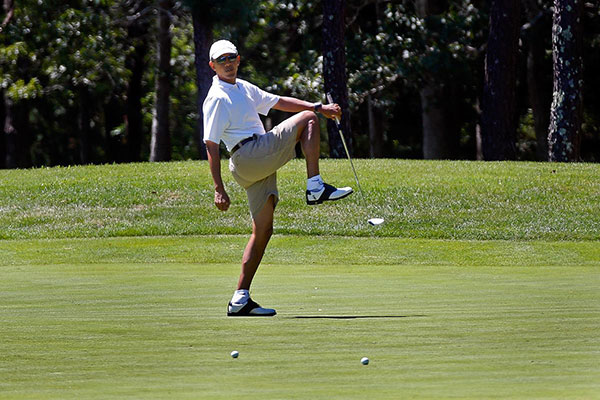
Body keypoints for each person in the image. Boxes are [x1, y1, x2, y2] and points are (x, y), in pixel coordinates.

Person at [203, 40, 353, 317]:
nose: (227, 63)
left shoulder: (243, 88)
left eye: (231, 57)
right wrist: (218, 188)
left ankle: (240, 298)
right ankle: (315, 187)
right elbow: (211, 145)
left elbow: (278, 102)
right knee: (308, 120)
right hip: (248, 155)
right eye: (221, 60)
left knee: (263, 231)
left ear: (238, 59)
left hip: (255, 161)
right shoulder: (217, 97)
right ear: (212, 65)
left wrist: (318, 105)